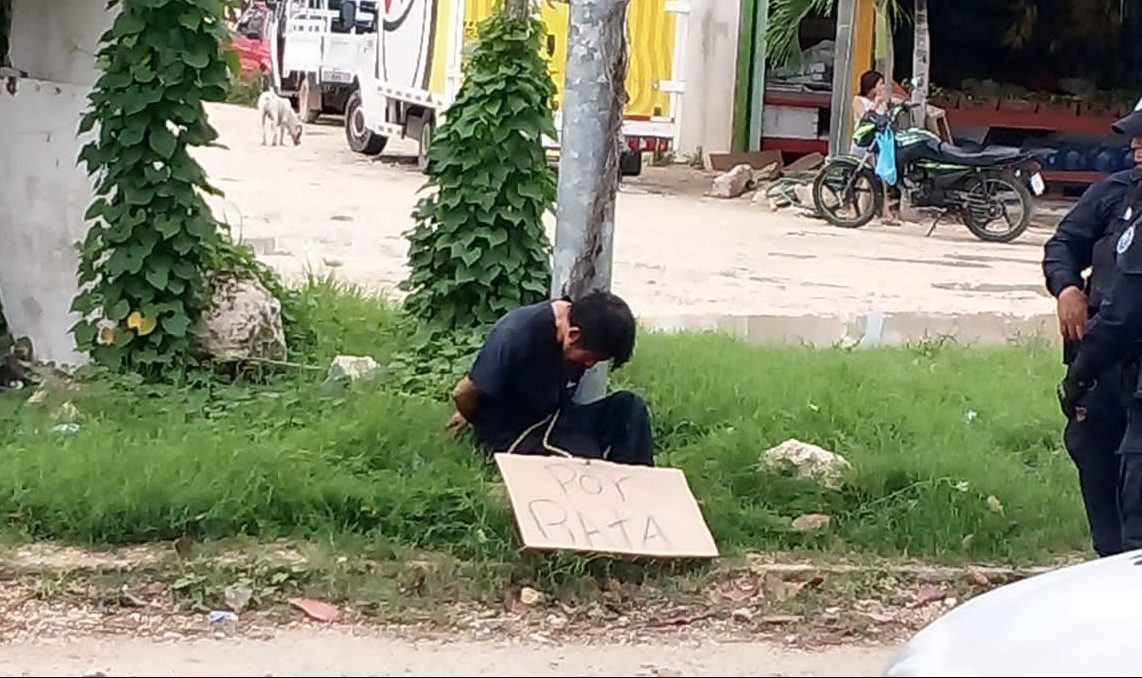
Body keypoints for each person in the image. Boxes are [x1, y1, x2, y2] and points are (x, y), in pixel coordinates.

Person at [1058, 101, 1142, 554]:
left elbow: (1127, 310)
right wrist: (1068, 287)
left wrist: (1079, 374)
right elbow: (1065, 242)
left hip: (1122, 359)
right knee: (1097, 459)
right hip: (1107, 371)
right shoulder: (1115, 194)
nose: (1135, 146)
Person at [447, 291, 655, 467]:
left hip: (558, 418)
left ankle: (635, 487)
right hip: (517, 434)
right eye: (590, 358)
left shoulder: (579, 322)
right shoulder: (516, 335)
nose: (590, 365)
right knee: (585, 464)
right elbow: (463, 392)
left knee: (629, 408)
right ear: (573, 335)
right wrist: (473, 415)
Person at [852, 70, 899, 225]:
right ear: (872, 86)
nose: (883, 87)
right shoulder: (858, 100)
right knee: (859, 178)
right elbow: (865, 119)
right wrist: (876, 105)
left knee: (882, 178)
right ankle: (855, 209)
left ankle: (885, 211)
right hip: (863, 144)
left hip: (877, 144)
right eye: (880, 84)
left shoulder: (882, 103)